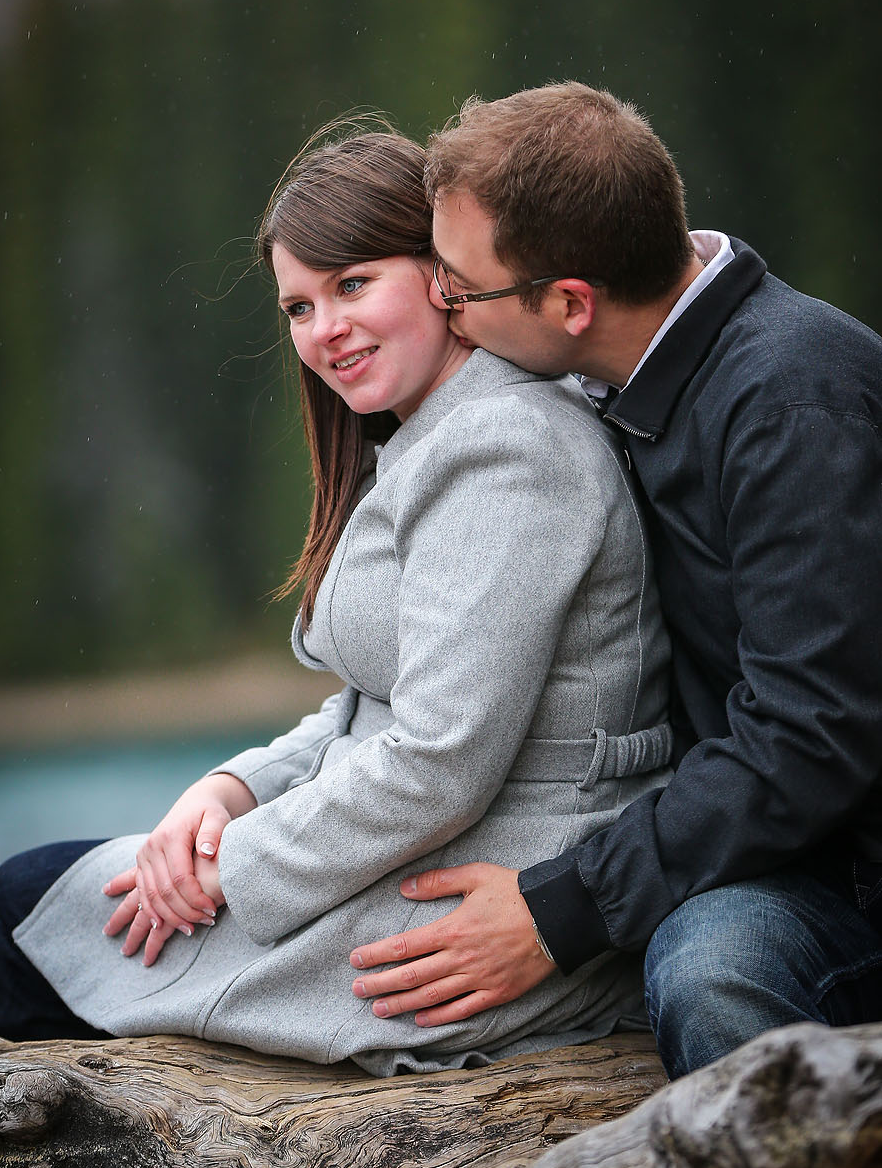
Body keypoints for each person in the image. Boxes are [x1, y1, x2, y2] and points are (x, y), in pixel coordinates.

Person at [0, 127, 674, 1075]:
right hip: (425, 845)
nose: (325, 332)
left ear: (442, 274)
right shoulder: (436, 434)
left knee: (24, 919)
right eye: (299, 307)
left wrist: (233, 865)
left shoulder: (509, 450)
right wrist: (233, 788)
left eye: (353, 285)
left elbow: (440, 759)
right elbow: (376, 703)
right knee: (36, 905)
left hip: (493, 884)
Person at [348, 83, 882, 1080]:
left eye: (459, 286)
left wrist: (564, 907)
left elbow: (812, 735)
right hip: (764, 846)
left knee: (713, 970)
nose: (440, 303)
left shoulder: (791, 402)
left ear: (569, 303)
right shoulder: (604, 385)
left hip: (850, 878)